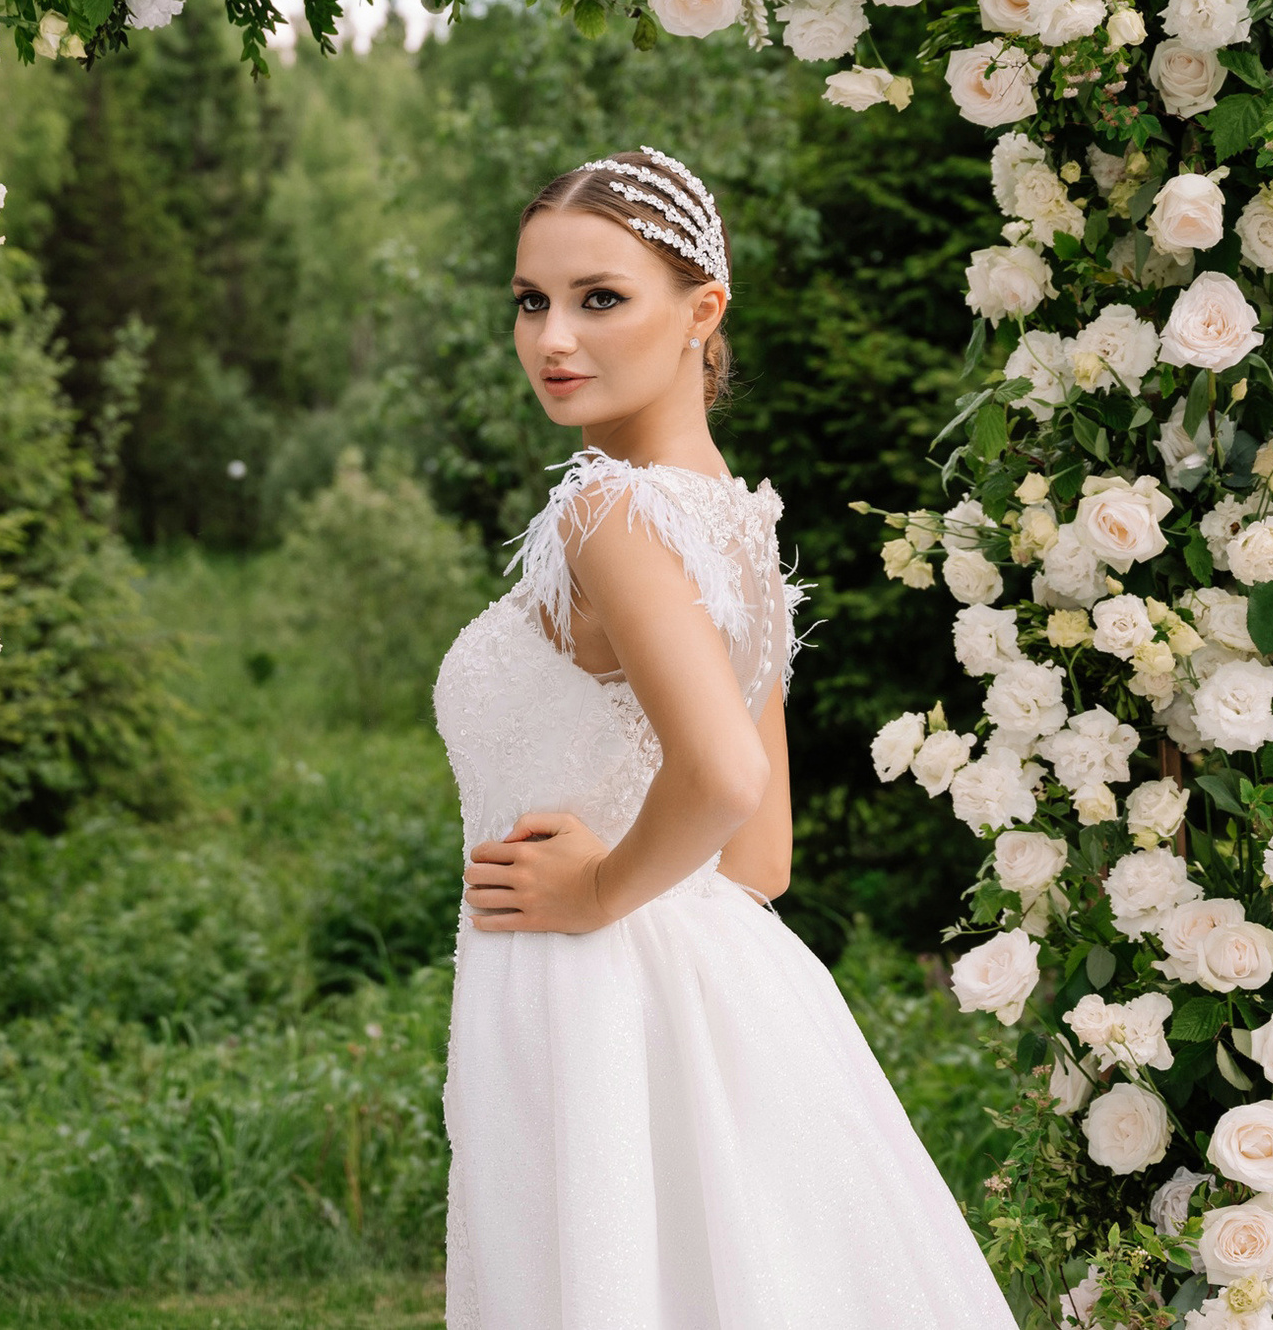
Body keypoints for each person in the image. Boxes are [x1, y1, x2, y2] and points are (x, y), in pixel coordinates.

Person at [435, 148, 1018, 1329]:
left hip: (588, 991)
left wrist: (597, 889)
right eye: (530, 299)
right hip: (713, 991)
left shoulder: (605, 507)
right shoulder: (740, 524)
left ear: (702, 309)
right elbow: (758, 862)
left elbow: (726, 777)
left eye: (600, 298)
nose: (554, 335)